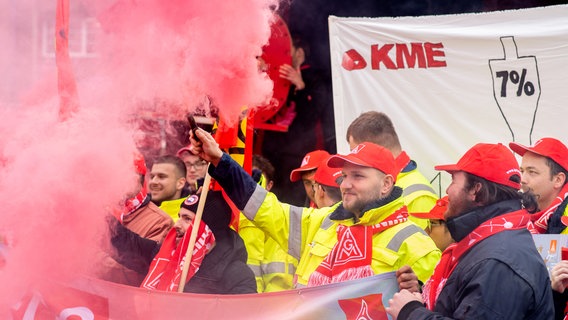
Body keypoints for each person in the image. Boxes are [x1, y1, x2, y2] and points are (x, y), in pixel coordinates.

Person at [191, 128, 440, 288]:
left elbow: (430, 310)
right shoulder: (324, 221)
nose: (347, 185)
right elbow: (266, 208)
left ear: (386, 184)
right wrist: (220, 161)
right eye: (344, 176)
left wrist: (415, 293)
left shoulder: (417, 246)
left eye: (359, 177)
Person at [386, 143, 553, 319]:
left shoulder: (497, 262)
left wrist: (410, 312)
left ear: (475, 190)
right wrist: (420, 295)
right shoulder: (490, 241)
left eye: (453, 181)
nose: (448, 190)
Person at [108, 190, 257, 294]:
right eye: (179, 217)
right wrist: (95, 209)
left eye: (187, 219)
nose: (177, 225)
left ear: (209, 229)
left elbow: (246, 314)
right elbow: (124, 242)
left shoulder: (237, 274)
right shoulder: (166, 254)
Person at [261, 33, 335, 207]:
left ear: (299, 54)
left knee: (293, 200)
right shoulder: (274, 75)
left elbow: (312, 116)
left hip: (298, 154)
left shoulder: (314, 78)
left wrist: (301, 87)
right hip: (272, 151)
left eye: (286, 49)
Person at [346, 111, 438, 229]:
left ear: (376, 150)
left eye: (357, 154)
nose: (354, 163)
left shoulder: (419, 198)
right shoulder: (378, 183)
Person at [97, 153, 173, 286]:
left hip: (127, 301)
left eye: (128, 175)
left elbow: (139, 272)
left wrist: (89, 259)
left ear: (142, 179)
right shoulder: (98, 210)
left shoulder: (161, 222)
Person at [509, 137, 568, 234]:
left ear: (558, 180)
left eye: (532, 172)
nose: (522, 180)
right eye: (522, 171)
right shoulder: (517, 214)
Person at [149, 155, 188, 221]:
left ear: (180, 183)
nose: (153, 181)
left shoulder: (191, 218)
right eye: (152, 177)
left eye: (161, 177)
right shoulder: (140, 211)